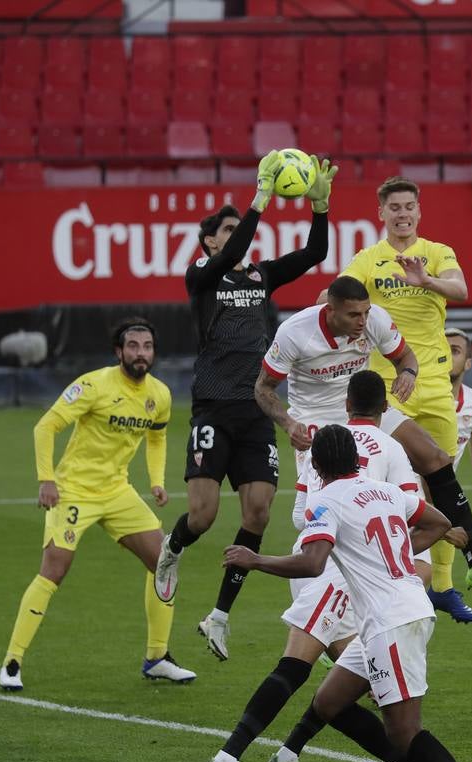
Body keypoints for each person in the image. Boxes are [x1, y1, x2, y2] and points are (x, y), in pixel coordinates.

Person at [220, 425, 472, 762]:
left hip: (392, 622)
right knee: (329, 702)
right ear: (355, 458)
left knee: (404, 732)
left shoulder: (325, 501)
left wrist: (255, 560)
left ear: (316, 465)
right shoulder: (384, 490)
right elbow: (441, 521)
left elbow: (314, 562)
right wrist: (400, 551)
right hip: (395, 614)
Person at [203, 372, 459, 762]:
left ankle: (287, 755)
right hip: (335, 574)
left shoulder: (319, 440)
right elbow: (409, 510)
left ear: (346, 403)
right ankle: (227, 758)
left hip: (340, 568)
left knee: (346, 681)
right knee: (300, 666)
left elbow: (302, 513)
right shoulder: (392, 448)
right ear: (385, 409)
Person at [153, 151, 338, 662]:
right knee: (204, 515)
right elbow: (235, 244)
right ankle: (172, 550)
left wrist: (319, 205)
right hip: (212, 407)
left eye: (239, 230)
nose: (238, 237)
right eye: (228, 232)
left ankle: (218, 616)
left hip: (257, 407)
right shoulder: (202, 278)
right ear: (210, 242)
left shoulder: (260, 278)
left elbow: (314, 252)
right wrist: (258, 200)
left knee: (258, 511)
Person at [263, 275, 472, 623]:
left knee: (436, 457)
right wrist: (289, 424)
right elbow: (262, 389)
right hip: (317, 422)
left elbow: (405, 356)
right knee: (322, 506)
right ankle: (326, 601)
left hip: (365, 409)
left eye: (366, 312)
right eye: (354, 315)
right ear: (330, 310)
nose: (363, 322)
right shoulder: (295, 333)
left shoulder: (375, 319)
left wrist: (408, 373)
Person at [332, 175, 472, 597]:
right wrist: (330, 311)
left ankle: (448, 584)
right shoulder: (368, 258)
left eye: (409, 206)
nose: (403, 214)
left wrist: (425, 281)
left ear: (419, 211)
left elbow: (461, 289)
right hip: (388, 388)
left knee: (442, 475)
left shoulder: (436, 252)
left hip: (434, 385)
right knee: (387, 479)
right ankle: (379, 568)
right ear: (381, 214)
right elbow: (336, 292)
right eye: (394, 208)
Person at [0, 319, 195, 691]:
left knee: (165, 562)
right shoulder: (93, 385)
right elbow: (46, 426)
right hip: (73, 490)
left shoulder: (160, 394)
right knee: (54, 571)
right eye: (133, 346)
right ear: (119, 352)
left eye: (147, 346)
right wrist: (47, 480)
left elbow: (157, 437)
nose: (141, 353)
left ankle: (157, 658)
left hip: (117, 492)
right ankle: (12, 661)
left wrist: (156, 482)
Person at [429, 327, 472, 617]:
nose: (448, 355)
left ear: (468, 362)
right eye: (443, 349)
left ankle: (442, 590)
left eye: (455, 351)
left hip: (440, 491)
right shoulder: (418, 396)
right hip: (401, 490)